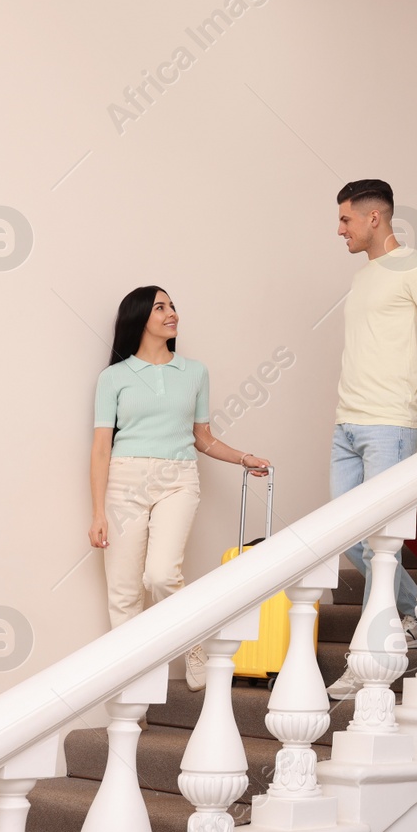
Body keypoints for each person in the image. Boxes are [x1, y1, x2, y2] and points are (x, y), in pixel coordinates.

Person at [89, 286, 271, 691]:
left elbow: (202, 438)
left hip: (178, 479)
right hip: (124, 482)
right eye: (161, 307)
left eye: (172, 306)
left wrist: (244, 457)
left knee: (159, 575)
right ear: (139, 318)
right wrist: (99, 512)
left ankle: (192, 645)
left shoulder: (195, 372)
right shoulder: (113, 377)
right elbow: (101, 448)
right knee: (123, 596)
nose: (172, 313)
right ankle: (133, 692)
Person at [326, 179, 417, 698]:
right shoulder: (364, 279)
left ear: (374, 218)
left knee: (376, 541)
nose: (340, 229)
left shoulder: (416, 267)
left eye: (346, 220)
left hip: (389, 423)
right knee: (349, 538)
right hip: (347, 423)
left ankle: (370, 655)